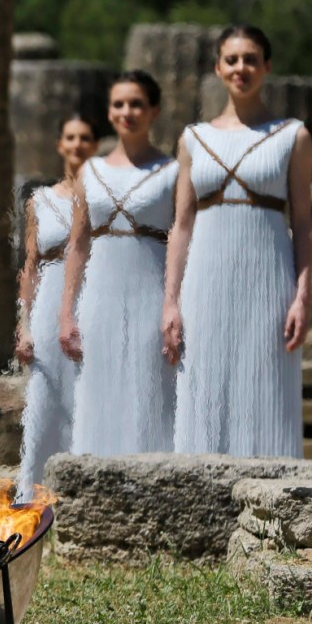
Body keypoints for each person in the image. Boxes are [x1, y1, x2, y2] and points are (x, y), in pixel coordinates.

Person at [162, 25, 312, 457]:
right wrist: (171, 300)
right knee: (204, 388)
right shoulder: (193, 139)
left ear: (267, 66)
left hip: (268, 281)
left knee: (267, 391)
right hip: (205, 283)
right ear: (218, 68)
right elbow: (182, 225)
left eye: (250, 59)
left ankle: (273, 512)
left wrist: (303, 296)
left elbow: (302, 224)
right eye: (232, 60)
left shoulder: (293, 137)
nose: (241, 68)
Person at [59, 71, 178, 456]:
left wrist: (174, 304)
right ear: (110, 112)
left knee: (150, 394)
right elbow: (78, 244)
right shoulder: (89, 171)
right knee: (98, 392)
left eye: (137, 104)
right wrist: (66, 312)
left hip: (151, 292)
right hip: (101, 296)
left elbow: (181, 237)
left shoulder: (174, 171)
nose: (128, 112)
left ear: (154, 110)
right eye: (119, 104)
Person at [15, 114, 98, 499]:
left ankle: (82, 494)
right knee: (47, 400)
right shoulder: (40, 200)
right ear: (60, 145)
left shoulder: (104, 196)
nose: (77, 145)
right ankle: (34, 495)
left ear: (95, 146)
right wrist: (24, 323)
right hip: (49, 302)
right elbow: (30, 265)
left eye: (85, 138)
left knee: (88, 396)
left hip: (93, 297)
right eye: (71, 138)